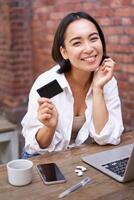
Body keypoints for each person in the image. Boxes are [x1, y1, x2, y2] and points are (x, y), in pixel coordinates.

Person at [21, 11, 124, 158]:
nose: (89, 48)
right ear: (64, 52)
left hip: (83, 160)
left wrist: (97, 88)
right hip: (43, 160)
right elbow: (35, 147)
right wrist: (49, 127)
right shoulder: (47, 83)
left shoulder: (106, 81)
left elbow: (106, 138)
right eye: (77, 43)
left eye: (93, 39)